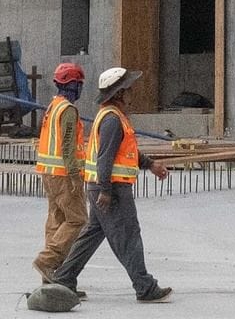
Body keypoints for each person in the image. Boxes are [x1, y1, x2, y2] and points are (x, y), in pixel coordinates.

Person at [37, 66, 169, 306]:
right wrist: (106, 191)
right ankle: (144, 286)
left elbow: (125, 152)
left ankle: (65, 278)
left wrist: (149, 164)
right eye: (128, 89)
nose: (132, 94)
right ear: (119, 93)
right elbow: (104, 159)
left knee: (91, 234)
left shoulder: (111, 116)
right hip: (112, 188)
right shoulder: (111, 120)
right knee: (128, 236)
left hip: (101, 186)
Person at [33, 61, 90, 281]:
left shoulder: (53, 105)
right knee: (77, 219)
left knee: (56, 220)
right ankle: (47, 260)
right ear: (74, 85)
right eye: (80, 84)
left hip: (49, 172)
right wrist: (75, 175)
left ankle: (51, 274)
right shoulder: (67, 109)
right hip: (64, 174)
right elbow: (67, 144)